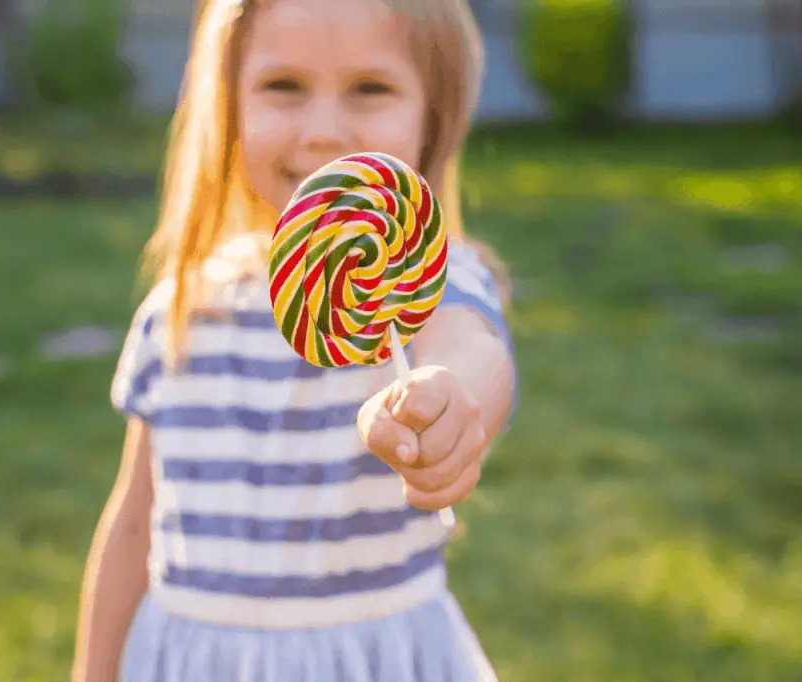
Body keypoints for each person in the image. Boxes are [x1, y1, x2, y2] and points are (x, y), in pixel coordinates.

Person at [71, 0, 518, 679]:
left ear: (435, 117)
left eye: (371, 89)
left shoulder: (415, 281)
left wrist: (452, 402)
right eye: (284, 87)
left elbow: (472, 341)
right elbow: (135, 522)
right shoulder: (183, 310)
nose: (324, 132)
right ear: (229, 107)